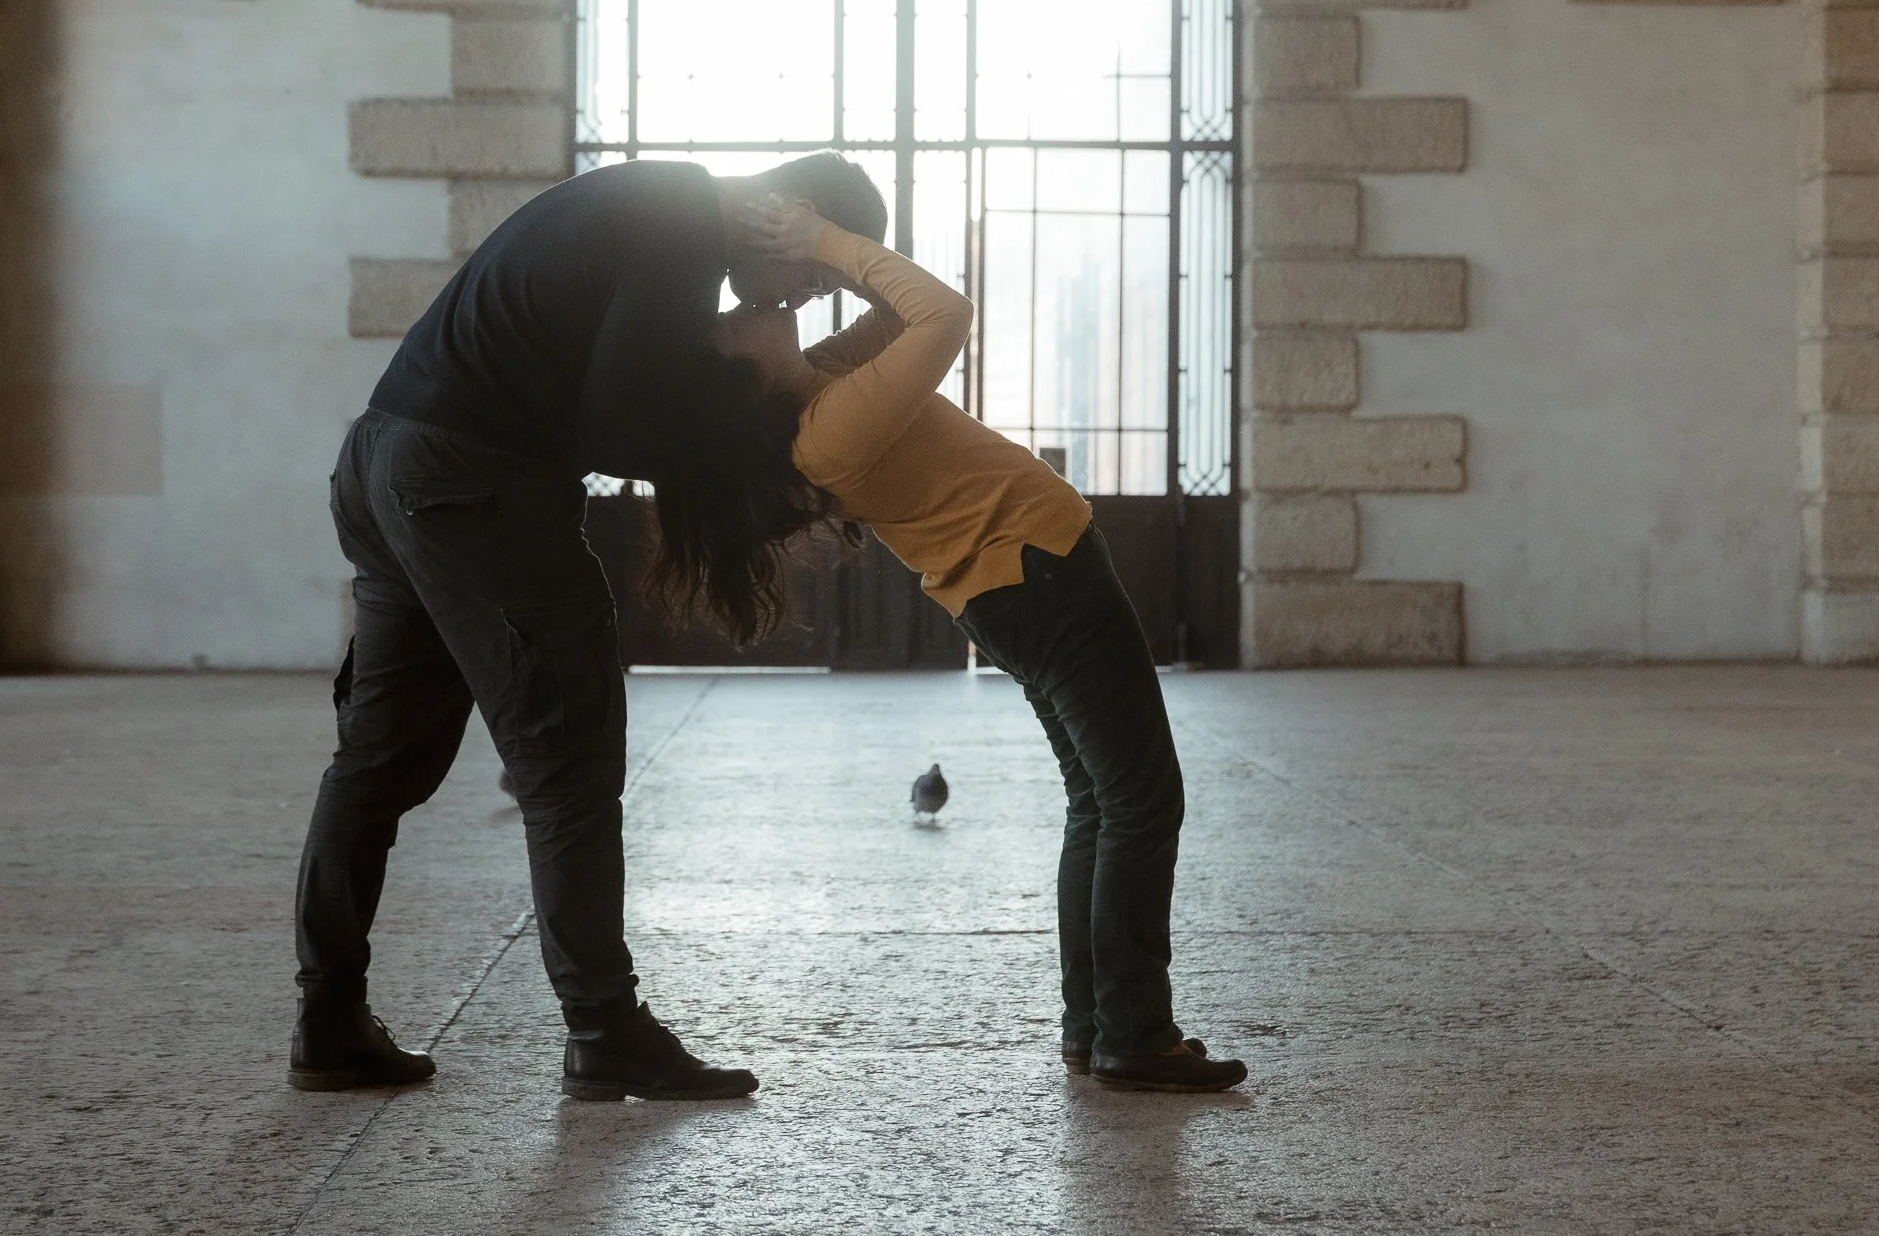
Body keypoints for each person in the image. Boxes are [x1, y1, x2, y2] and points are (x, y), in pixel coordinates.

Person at [289, 152, 888, 1102]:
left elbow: (613, 400)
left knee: (376, 762)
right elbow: (619, 426)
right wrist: (758, 460)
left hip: (384, 459)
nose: (798, 302)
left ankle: (328, 1019)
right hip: (470, 482)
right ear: (795, 214)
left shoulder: (659, 207)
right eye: (814, 277)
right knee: (569, 765)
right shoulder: (683, 222)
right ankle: (605, 1028)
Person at [696, 199, 1250, 1094]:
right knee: (1142, 801)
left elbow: (899, 308)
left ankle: (1098, 1024)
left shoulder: (828, 378)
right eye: (731, 323)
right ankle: (1138, 1034)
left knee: (1099, 800)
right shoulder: (830, 428)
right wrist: (823, 241)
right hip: (1043, 576)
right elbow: (945, 314)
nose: (744, 308)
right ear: (740, 381)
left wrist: (817, 267)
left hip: (1024, 579)